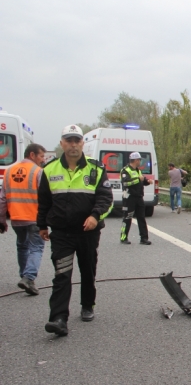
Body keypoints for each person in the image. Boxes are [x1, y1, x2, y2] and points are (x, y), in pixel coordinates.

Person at [38, 124, 113, 336]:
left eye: (77, 141)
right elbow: (44, 201)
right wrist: (42, 225)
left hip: (88, 232)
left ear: (83, 143)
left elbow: (105, 199)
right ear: (62, 143)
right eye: (69, 141)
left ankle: (87, 304)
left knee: (87, 270)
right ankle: (59, 318)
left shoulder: (96, 169)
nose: (73, 145)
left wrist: (94, 216)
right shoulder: (49, 169)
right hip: (62, 233)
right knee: (62, 274)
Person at [0, 143, 47, 295]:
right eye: (41, 156)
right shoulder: (38, 172)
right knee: (36, 247)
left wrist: (1, 220)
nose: (43, 159)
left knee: (22, 246)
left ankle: (24, 275)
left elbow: (2, 199)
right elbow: (44, 197)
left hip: (16, 218)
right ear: (32, 155)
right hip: (34, 218)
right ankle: (29, 277)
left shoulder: (9, 171)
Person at [120, 152, 151, 245]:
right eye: (139, 160)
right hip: (129, 198)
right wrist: (139, 179)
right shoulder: (125, 170)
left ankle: (144, 238)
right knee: (127, 217)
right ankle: (123, 237)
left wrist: (147, 181)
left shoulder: (138, 170)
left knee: (141, 218)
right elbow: (126, 183)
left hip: (139, 197)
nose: (140, 161)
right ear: (136, 160)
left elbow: (141, 180)